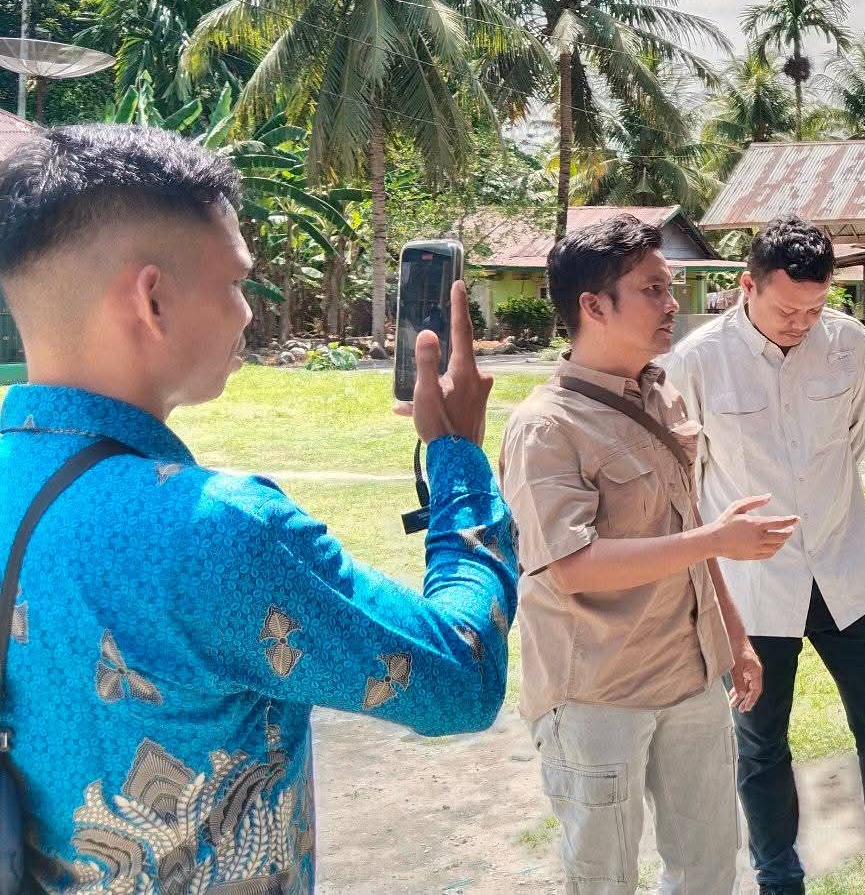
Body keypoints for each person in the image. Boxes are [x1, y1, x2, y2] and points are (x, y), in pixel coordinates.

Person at [0, 124, 518, 888]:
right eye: (237, 283)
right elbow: (461, 676)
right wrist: (458, 460)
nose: (248, 312)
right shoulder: (213, 531)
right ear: (151, 298)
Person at [665, 215, 865, 895]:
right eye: (787, 310)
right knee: (760, 745)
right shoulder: (695, 361)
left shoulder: (847, 343)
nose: (801, 323)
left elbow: (857, 435)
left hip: (847, 572)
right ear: (747, 287)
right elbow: (687, 479)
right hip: (753, 592)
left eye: (814, 308)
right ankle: (779, 881)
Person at [499, 216, 800, 894]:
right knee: (604, 879)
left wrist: (734, 639)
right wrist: (715, 540)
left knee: (707, 871)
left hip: (688, 676)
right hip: (596, 693)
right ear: (594, 306)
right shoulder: (546, 428)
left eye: (669, 287)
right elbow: (571, 567)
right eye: (652, 289)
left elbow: (686, 526)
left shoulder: (659, 394)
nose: (671, 304)